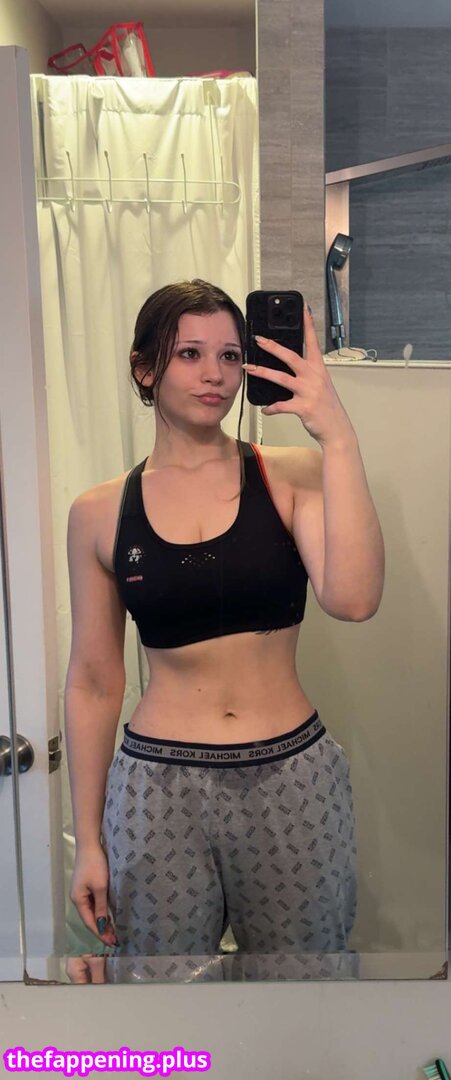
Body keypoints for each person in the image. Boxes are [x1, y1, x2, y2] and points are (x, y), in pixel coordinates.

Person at [65, 279, 385, 958]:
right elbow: (94, 681)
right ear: (144, 367)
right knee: (162, 992)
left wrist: (337, 435)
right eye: (189, 354)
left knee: (306, 986)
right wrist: (89, 842)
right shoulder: (98, 512)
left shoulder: (291, 474)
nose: (214, 373)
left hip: (291, 776)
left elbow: (354, 599)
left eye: (231, 355)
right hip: (157, 788)